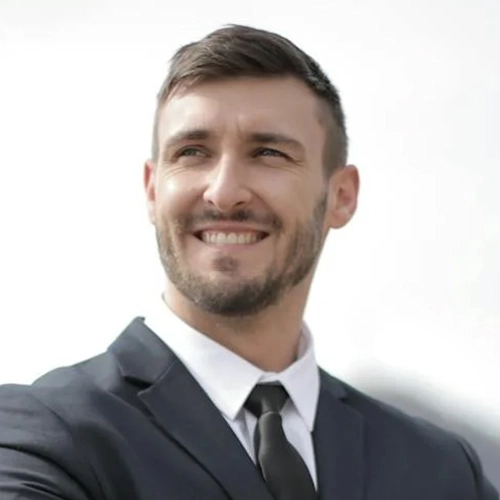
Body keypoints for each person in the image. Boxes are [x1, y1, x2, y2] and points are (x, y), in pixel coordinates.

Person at [0, 24, 496, 500]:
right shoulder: (45, 438)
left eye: (268, 153)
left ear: (341, 196)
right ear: (152, 191)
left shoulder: (441, 470)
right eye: (192, 152)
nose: (223, 192)